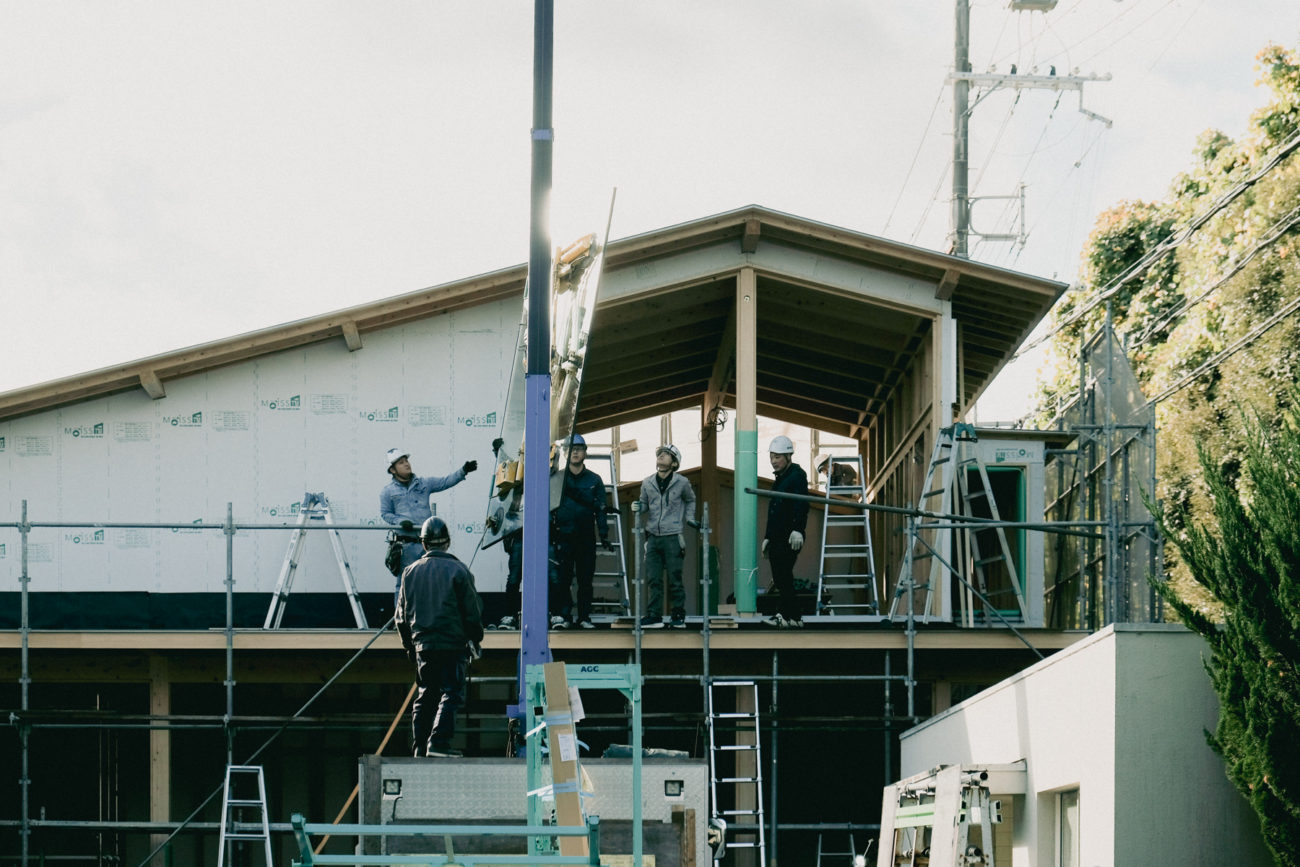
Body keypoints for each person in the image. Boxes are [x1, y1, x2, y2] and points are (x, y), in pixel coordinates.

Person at [396, 516, 484, 758]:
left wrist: (409, 648)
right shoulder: (459, 571)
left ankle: (419, 747)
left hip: (423, 645)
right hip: (452, 644)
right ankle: (439, 743)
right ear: (447, 542)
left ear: (424, 543)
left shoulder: (409, 573)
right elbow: (472, 613)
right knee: (452, 692)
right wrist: (476, 639)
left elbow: (401, 617)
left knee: (426, 694)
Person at [380, 448, 477, 602]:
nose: (406, 464)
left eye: (406, 460)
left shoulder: (424, 483)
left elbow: (445, 481)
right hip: (406, 546)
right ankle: (401, 621)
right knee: (404, 582)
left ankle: (429, 618)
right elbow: (385, 514)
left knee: (432, 581)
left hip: (429, 545)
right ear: (392, 469)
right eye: (401, 462)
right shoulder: (387, 492)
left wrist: (463, 471)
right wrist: (400, 522)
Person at [548, 433, 612, 629]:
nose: (575, 452)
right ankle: (565, 617)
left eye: (579, 449)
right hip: (563, 536)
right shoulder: (557, 478)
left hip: (585, 537)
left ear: (585, 452)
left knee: (585, 580)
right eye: (571, 449)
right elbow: (548, 507)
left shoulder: (595, 479)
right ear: (566, 453)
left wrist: (604, 534)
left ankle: (584, 617)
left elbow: (601, 509)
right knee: (563, 579)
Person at [639, 444, 696, 629]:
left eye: (666, 455)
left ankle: (677, 615)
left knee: (675, 578)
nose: (661, 457)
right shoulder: (647, 482)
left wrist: (689, 518)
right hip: (653, 536)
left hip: (673, 536)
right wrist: (638, 507)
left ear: (674, 462)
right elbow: (644, 505)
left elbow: (690, 499)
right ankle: (654, 615)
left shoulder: (682, 482)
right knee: (653, 578)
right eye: (660, 454)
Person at [763, 435, 809, 628]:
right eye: (772, 456)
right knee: (781, 577)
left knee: (782, 576)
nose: (773, 461)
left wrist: (798, 529)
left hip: (789, 535)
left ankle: (785, 614)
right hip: (777, 536)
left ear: (788, 456)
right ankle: (795, 617)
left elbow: (801, 503)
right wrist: (767, 537)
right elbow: (773, 510)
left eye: (778, 457)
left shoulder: (797, 475)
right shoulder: (780, 478)